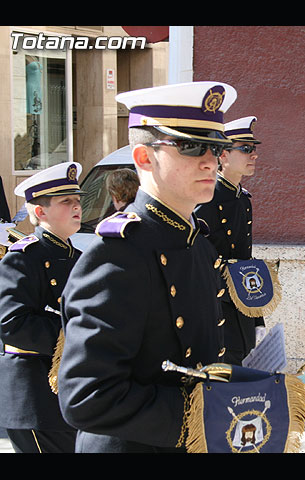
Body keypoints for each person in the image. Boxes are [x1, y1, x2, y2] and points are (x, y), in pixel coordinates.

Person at [57, 81, 236, 452]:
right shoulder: (117, 255)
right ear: (143, 158)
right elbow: (86, 396)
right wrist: (200, 415)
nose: (210, 161)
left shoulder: (195, 242)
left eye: (216, 148)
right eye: (191, 146)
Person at [0, 162, 84, 453]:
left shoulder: (81, 258)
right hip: (35, 395)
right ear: (39, 211)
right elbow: (12, 324)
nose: (76, 207)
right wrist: (75, 333)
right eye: (66, 202)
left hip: (71, 395)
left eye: (77, 201)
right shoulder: (23, 257)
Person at [195, 116, 265, 365]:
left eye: (254, 149)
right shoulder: (205, 200)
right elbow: (201, 266)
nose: (253, 155)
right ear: (223, 154)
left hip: (242, 312)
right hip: (217, 314)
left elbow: (246, 263)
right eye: (246, 149)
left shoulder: (243, 200)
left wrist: (257, 318)